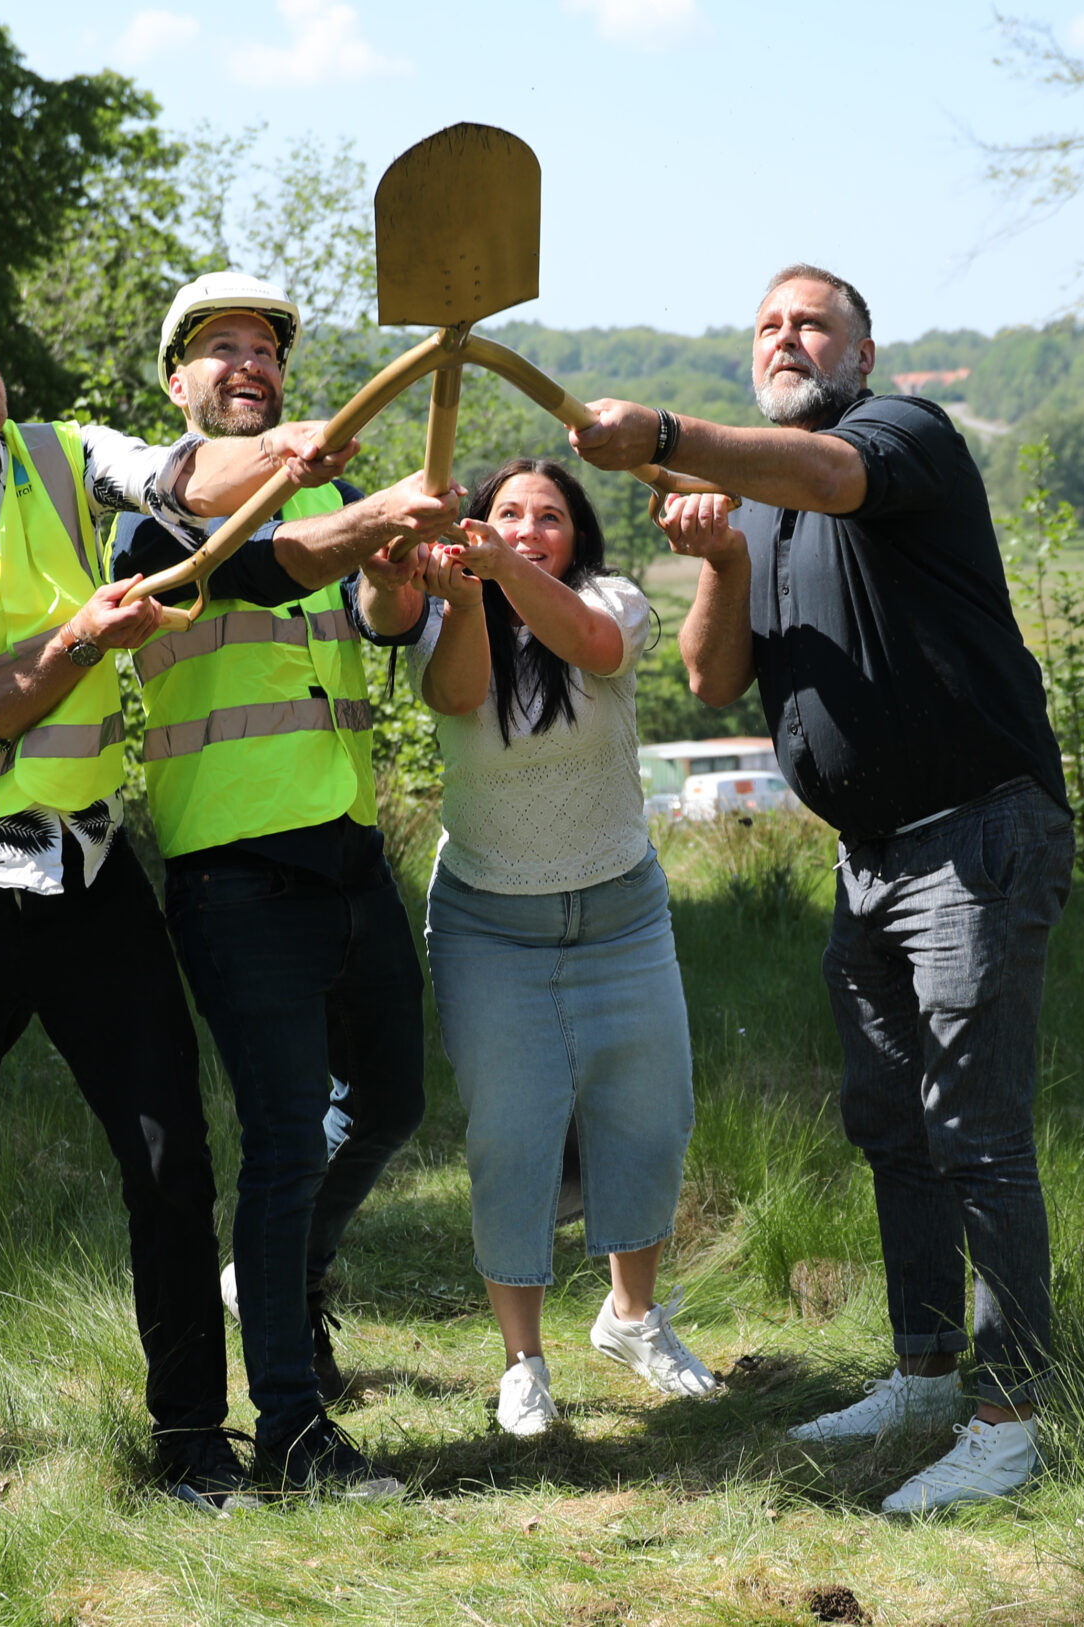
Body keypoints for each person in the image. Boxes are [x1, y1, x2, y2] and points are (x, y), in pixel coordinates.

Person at [0, 264, 354, 1510]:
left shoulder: (62, 454)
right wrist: (79, 642)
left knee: (171, 1166)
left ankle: (190, 1448)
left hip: (96, 877)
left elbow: (174, 476)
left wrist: (279, 451)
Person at [571, 264, 1075, 1515]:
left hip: (974, 835)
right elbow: (709, 677)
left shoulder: (898, 432)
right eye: (766, 327)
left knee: (974, 1133)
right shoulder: (757, 508)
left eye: (810, 323)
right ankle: (922, 1371)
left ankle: (1010, 1419)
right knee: (891, 1126)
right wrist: (721, 568)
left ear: (859, 350)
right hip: (866, 859)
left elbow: (833, 478)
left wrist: (674, 441)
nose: (785, 339)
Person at [106, 272, 458, 1499]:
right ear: (176, 382)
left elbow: (372, 615)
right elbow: (264, 569)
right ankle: (296, 1436)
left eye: (264, 349)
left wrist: (402, 559)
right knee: (278, 1146)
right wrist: (364, 525)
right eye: (220, 351)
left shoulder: (333, 489)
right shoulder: (151, 515)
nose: (248, 365)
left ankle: (274, 1278)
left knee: (394, 1100)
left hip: (348, 854)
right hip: (236, 874)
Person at [358, 458, 719, 1438]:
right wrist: (468, 593)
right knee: (510, 1136)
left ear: (576, 535)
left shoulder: (611, 599)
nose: (527, 528)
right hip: (490, 923)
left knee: (648, 1118)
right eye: (507, 514)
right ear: (474, 525)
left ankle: (632, 1320)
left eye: (548, 517)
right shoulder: (445, 613)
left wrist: (506, 571)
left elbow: (593, 646)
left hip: (621, 917)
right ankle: (523, 1364)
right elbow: (453, 692)